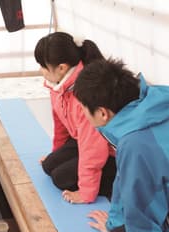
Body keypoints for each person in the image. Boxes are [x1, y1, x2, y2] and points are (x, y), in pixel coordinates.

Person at [74, 58, 169, 232]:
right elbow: (124, 181)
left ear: (102, 113)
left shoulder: (136, 144)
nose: (82, 112)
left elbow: (142, 216)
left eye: (83, 106)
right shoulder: (152, 114)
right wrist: (114, 222)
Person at [34, 32, 116, 204]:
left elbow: (94, 149)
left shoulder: (85, 95)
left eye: (43, 66)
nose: (40, 70)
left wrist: (86, 193)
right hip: (83, 140)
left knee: (60, 178)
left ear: (62, 68)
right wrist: (56, 154)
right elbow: (60, 125)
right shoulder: (58, 86)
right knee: (49, 166)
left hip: (112, 152)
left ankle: (117, 181)